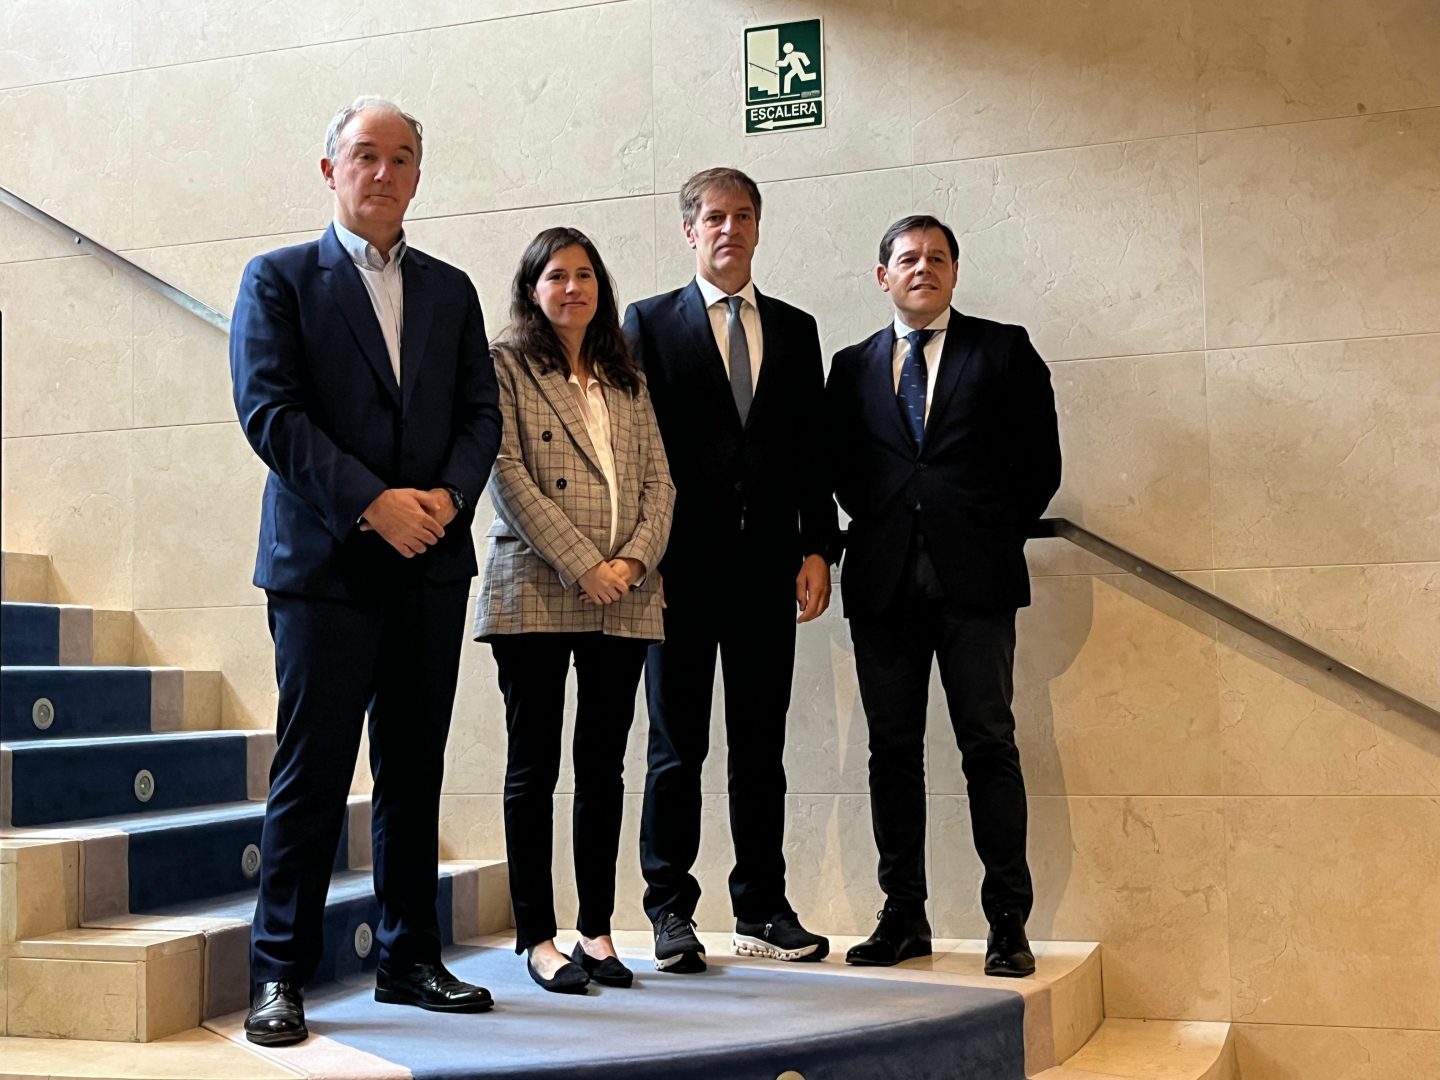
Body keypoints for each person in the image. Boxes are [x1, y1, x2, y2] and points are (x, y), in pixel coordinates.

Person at [230, 96, 502, 1045]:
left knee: (414, 771)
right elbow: (271, 413)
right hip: (325, 565)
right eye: (365, 155)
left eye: (402, 157)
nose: (383, 172)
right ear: (330, 169)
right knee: (312, 774)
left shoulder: (451, 289)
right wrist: (371, 503)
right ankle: (279, 973)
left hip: (431, 562)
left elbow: (482, 414)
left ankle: (409, 958)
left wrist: (448, 500)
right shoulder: (278, 279)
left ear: (419, 174)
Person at [825, 215, 1060, 977]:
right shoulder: (850, 366)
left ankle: (1007, 922)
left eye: (936, 257)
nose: (922, 268)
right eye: (907, 258)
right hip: (884, 582)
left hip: (976, 583)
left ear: (954, 272)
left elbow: (1040, 464)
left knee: (988, 745)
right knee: (891, 753)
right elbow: (838, 467)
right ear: (883, 276)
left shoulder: (1004, 350)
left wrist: (985, 529)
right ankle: (903, 917)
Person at [623, 167, 840, 973]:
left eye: (743, 215)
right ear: (690, 231)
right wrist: (644, 557)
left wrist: (817, 547)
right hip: (676, 574)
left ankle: (762, 909)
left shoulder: (796, 328)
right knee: (676, 749)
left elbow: (812, 449)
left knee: (759, 750)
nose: (729, 229)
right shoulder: (648, 322)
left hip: (766, 573)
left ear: (758, 227)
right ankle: (669, 911)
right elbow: (633, 449)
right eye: (714, 217)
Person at [475, 227, 674, 994]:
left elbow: (660, 483)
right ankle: (538, 938)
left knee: (604, 767)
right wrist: (582, 563)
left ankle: (596, 931)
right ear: (533, 289)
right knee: (534, 765)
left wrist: (631, 563)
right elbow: (504, 473)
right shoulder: (506, 364)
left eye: (585, 274)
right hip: (536, 583)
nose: (573, 288)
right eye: (556, 275)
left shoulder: (626, 375)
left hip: (624, 590)